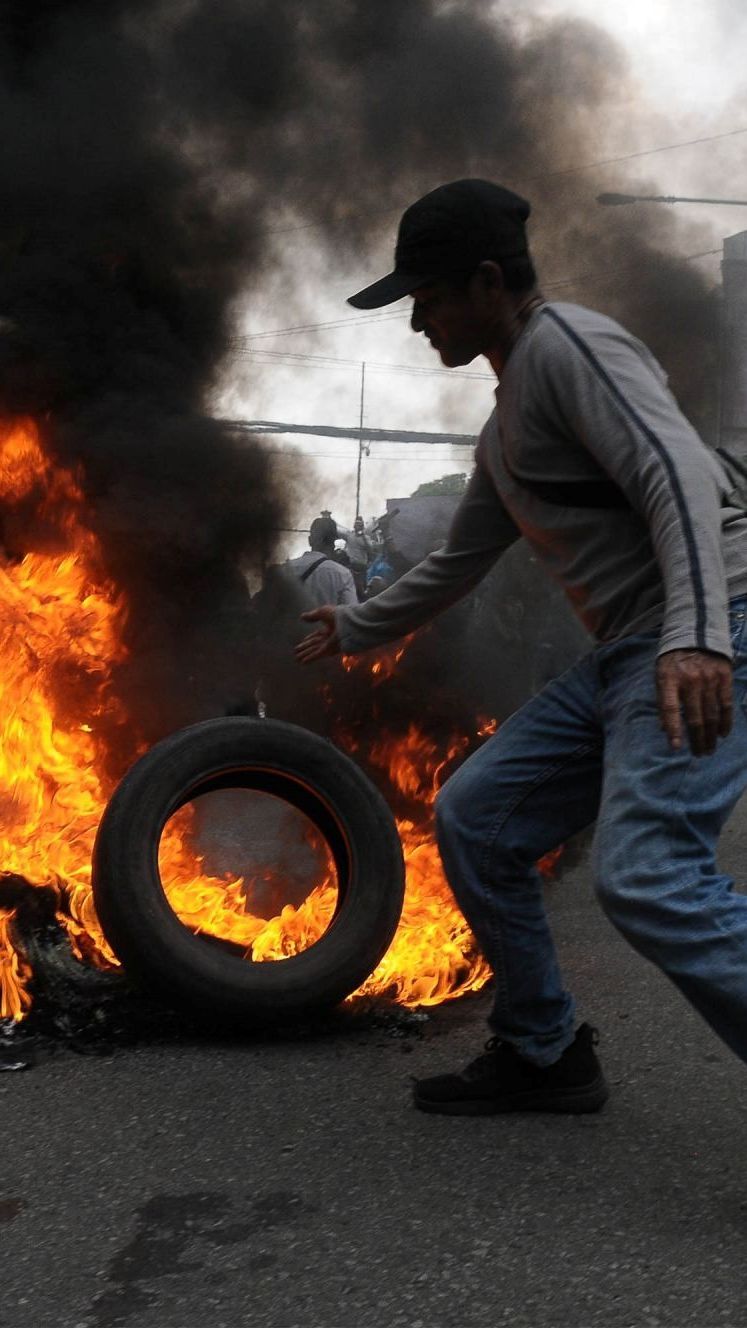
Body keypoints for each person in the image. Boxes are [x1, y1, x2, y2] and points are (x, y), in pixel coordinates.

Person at [295, 177, 747, 1117]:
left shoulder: (571, 346)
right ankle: (544, 1051)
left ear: (489, 281)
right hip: (632, 648)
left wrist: (699, 634)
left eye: (425, 298)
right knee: (474, 815)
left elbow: (675, 478)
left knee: (647, 877)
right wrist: (358, 625)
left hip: (716, 616)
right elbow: (458, 562)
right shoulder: (506, 426)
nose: (415, 321)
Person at [287, 515, 357, 609]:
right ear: (333, 543)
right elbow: (351, 613)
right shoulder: (343, 574)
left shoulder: (287, 569)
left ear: (310, 541)